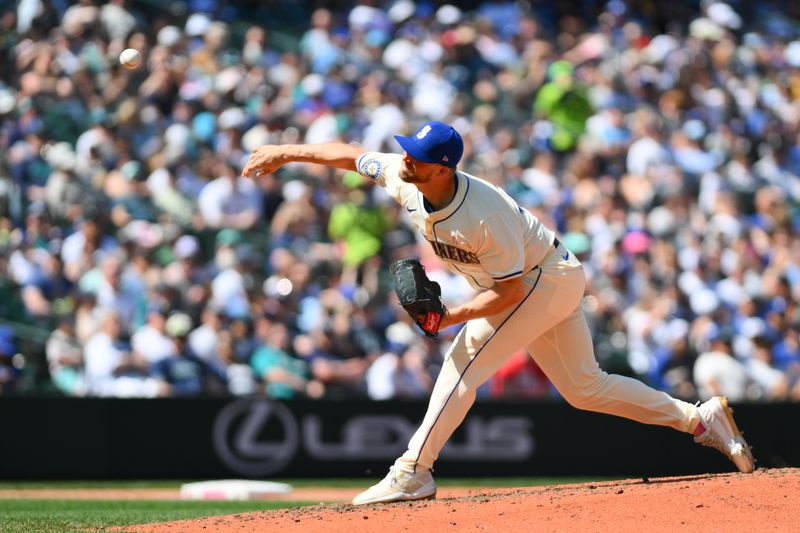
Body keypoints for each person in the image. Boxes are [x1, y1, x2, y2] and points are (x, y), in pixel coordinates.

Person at [242, 120, 755, 506]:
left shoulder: (481, 214)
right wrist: (286, 152)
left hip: (542, 281)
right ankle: (699, 420)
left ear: (442, 168)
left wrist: (451, 318)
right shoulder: (408, 181)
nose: (404, 158)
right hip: (545, 276)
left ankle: (412, 470)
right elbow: (351, 156)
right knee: (585, 388)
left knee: (462, 363)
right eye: (407, 150)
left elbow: (510, 293)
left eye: (416, 156)